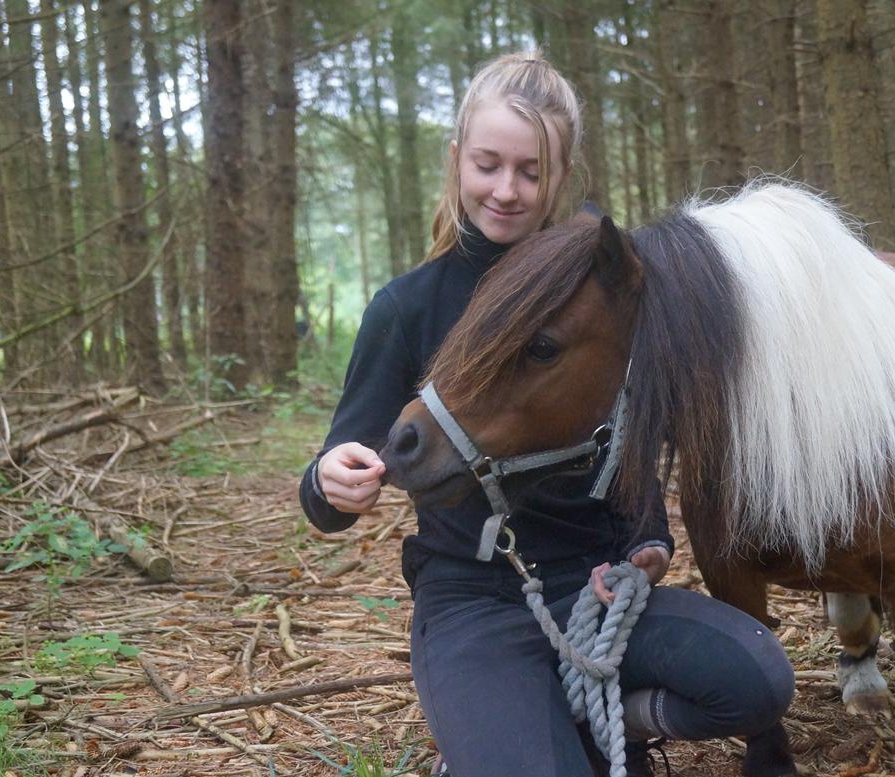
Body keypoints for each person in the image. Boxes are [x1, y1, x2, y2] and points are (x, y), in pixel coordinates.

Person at [299, 52, 796, 777]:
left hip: (590, 586)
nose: (506, 189)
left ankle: (604, 720)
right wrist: (328, 481)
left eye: (530, 172)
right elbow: (332, 487)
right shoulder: (407, 306)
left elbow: (628, 437)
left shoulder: (604, 290)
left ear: (561, 177)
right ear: (456, 161)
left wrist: (647, 545)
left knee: (759, 679)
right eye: (488, 164)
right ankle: (519, 737)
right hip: (471, 603)